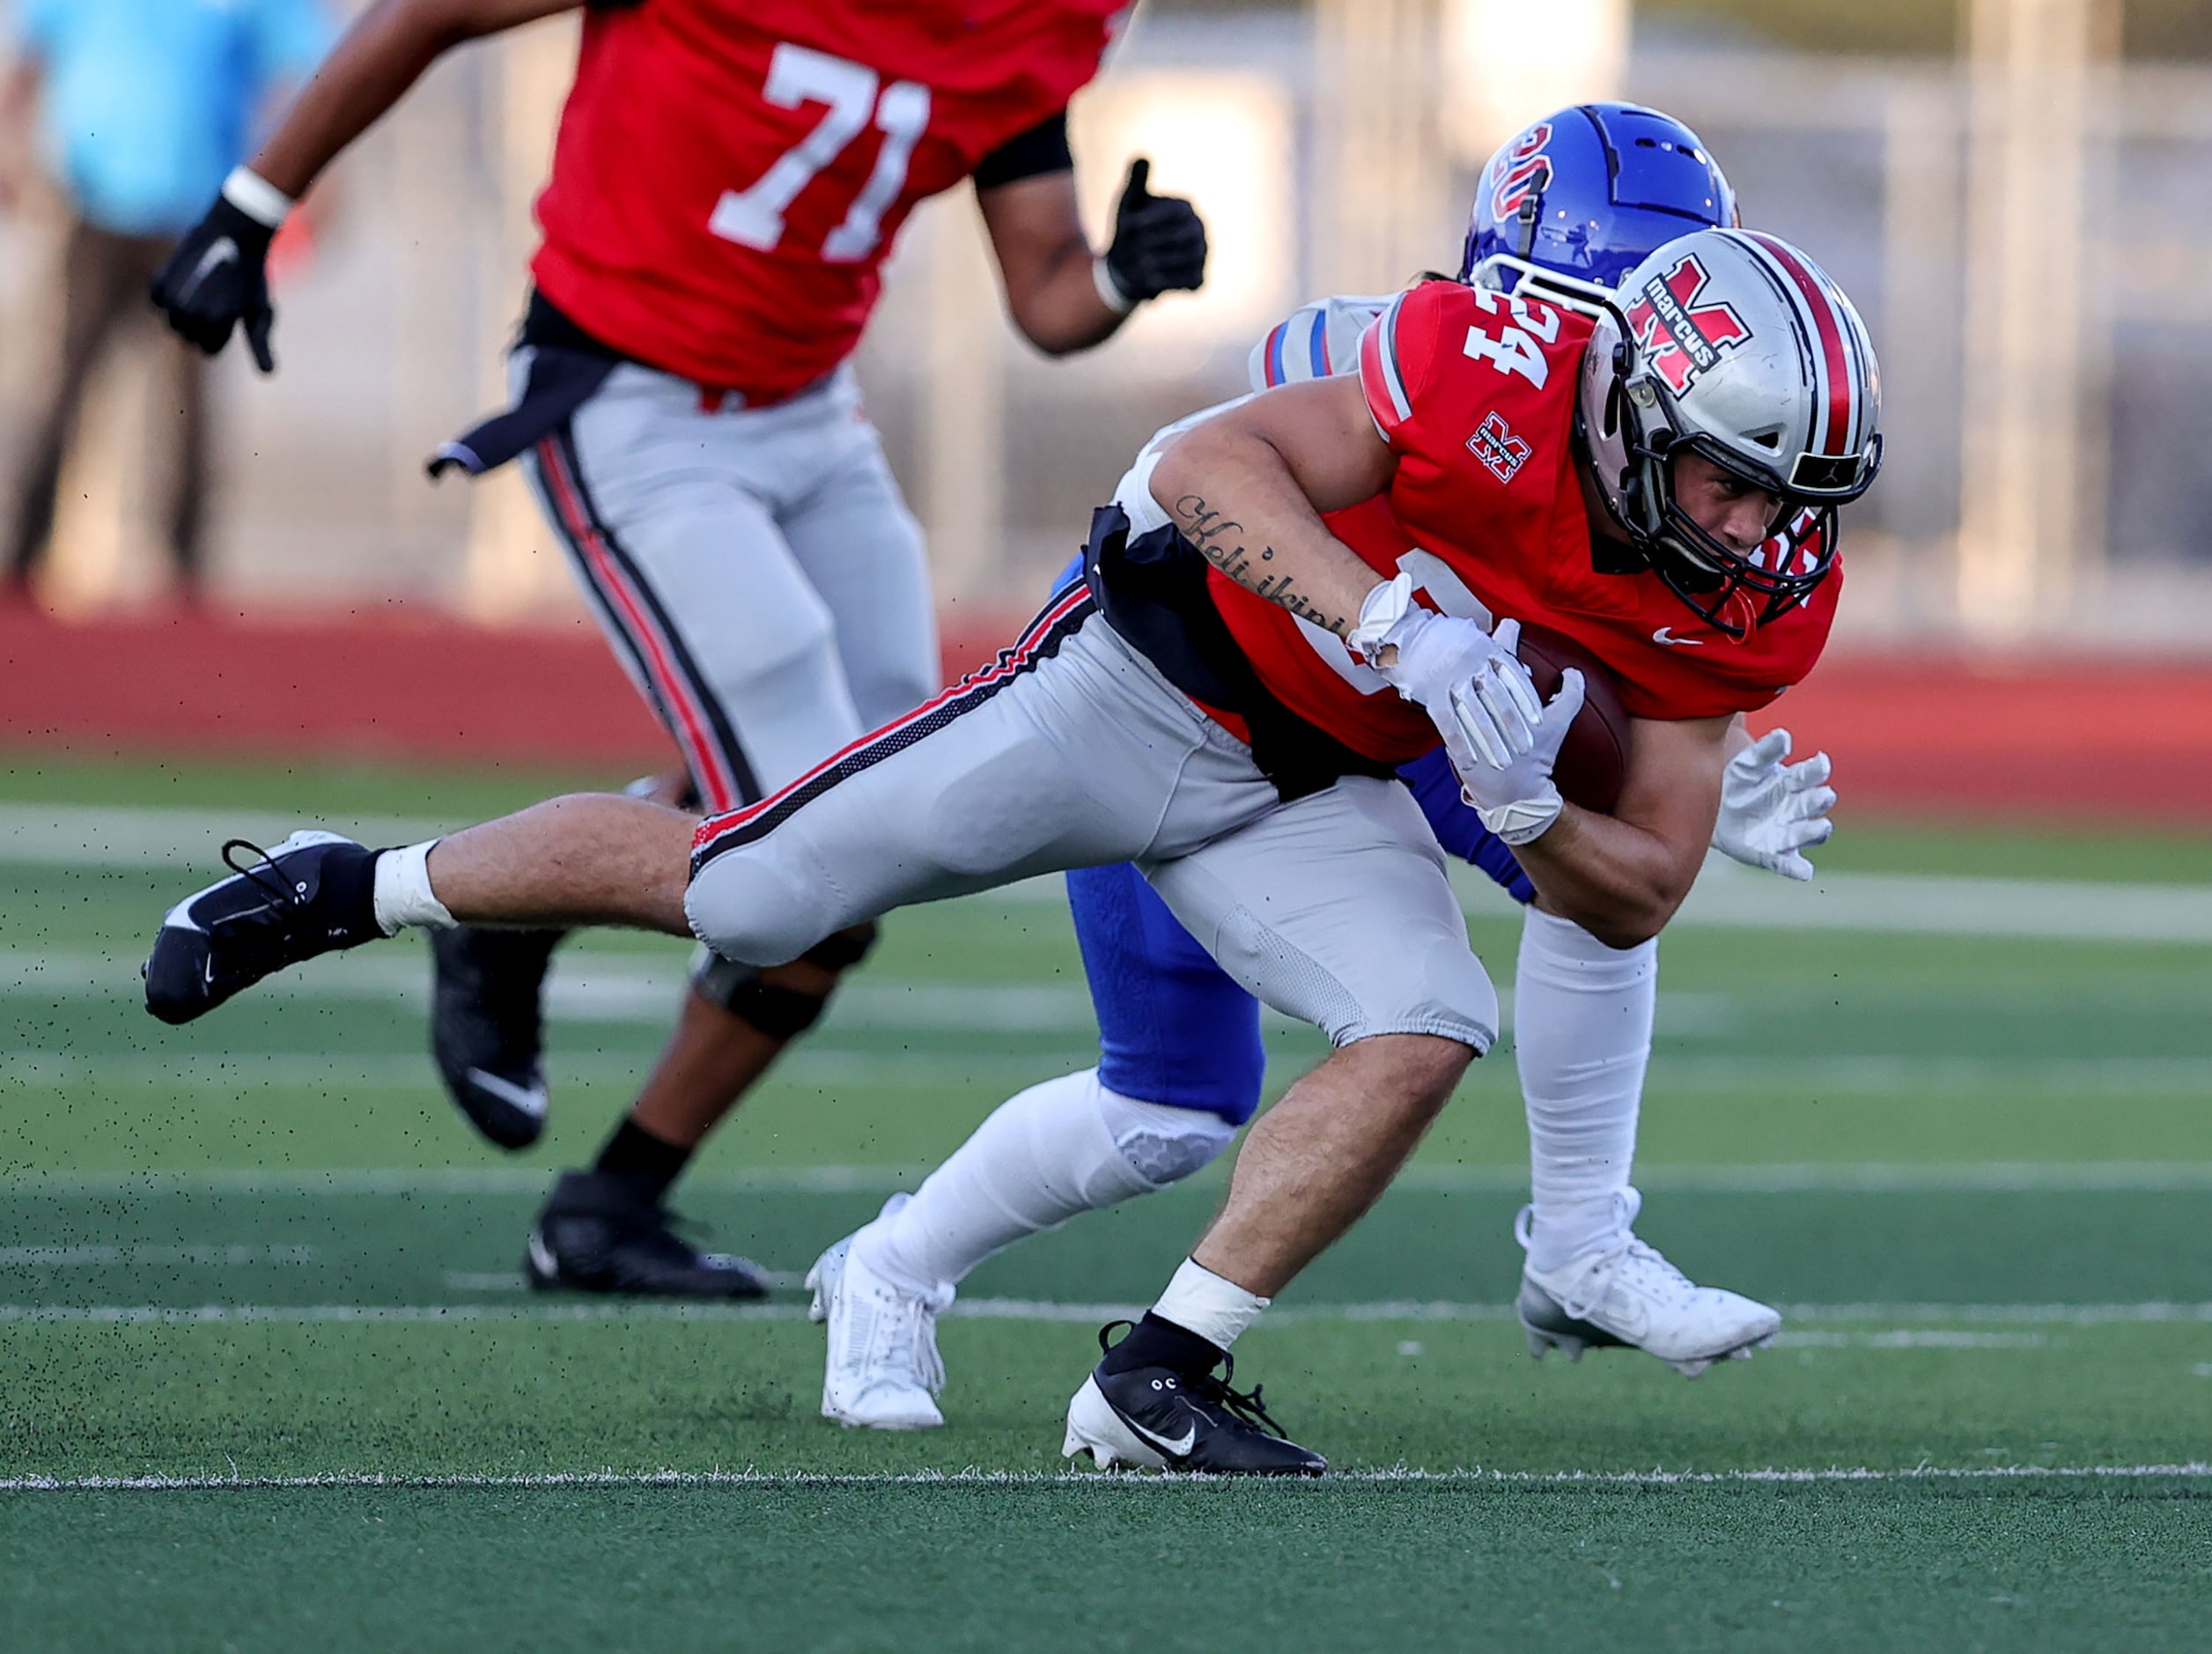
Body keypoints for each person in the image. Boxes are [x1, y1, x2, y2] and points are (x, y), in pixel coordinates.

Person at [140, 219, 1883, 1475]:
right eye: (1730, 484)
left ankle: (1160, 1372)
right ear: (1632, 406)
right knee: (746, 890)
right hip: (1130, 686)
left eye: (1786, 502)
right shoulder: (1480, 364)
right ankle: (340, 884)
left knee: (1425, 1022)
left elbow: (1637, 887)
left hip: (1308, 789)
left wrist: (1522, 809)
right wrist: (1387, 625)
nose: (1752, 535)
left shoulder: (1746, 589)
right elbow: (1203, 464)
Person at [803, 105, 1842, 1433]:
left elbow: (1618, 613)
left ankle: (1582, 1242)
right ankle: (893, 1267)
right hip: (1208, 694)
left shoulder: (1649, 431)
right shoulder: (1396, 352)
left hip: (1396, 732)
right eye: (1599, 299)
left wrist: (1676, 763)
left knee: (1591, 881)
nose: (1617, 343)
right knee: (1168, 1107)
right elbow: (1241, 489)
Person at [149, 0, 1207, 1299]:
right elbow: (429, 14)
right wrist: (251, 206)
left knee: (879, 815)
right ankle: (411, 909)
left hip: (812, 416)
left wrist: (1118, 275)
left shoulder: (1038, 22)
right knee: (827, 847)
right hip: (629, 403)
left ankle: (552, 1050)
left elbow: (1046, 289)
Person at [0, 0, 334, 603]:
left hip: (198, 219)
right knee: (62, 385)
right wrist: (9, 147)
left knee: (186, 406)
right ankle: (22, 557)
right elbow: (30, 60)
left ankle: (183, 572)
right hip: (96, 207)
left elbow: (304, 74)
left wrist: (314, 180)